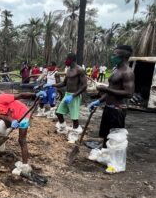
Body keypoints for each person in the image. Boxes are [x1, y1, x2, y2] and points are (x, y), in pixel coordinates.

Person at [88, 45, 135, 173]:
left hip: (118, 109)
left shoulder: (127, 72)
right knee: (105, 135)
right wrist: (99, 101)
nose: (113, 57)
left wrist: (106, 89)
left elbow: (129, 93)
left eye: (115, 55)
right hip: (109, 107)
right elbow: (110, 91)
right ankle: (106, 157)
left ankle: (116, 165)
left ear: (123, 57)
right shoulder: (116, 70)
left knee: (116, 138)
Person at [0, 90, 45, 174]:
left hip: (23, 115)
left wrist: (35, 94)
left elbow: (21, 95)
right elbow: (4, 117)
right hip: (11, 117)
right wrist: (12, 122)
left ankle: (25, 165)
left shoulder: (1, 98)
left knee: (22, 140)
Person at [44, 53, 87, 143]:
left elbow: (84, 86)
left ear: (71, 60)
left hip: (74, 95)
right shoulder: (68, 70)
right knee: (59, 112)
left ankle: (75, 134)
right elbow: (63, 83)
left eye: (66, 59)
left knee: (74, 117)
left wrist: (73, 95)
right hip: (67, 94)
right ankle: (63, 128)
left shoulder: (80, 70)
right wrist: (52, 85)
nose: (65, 61)